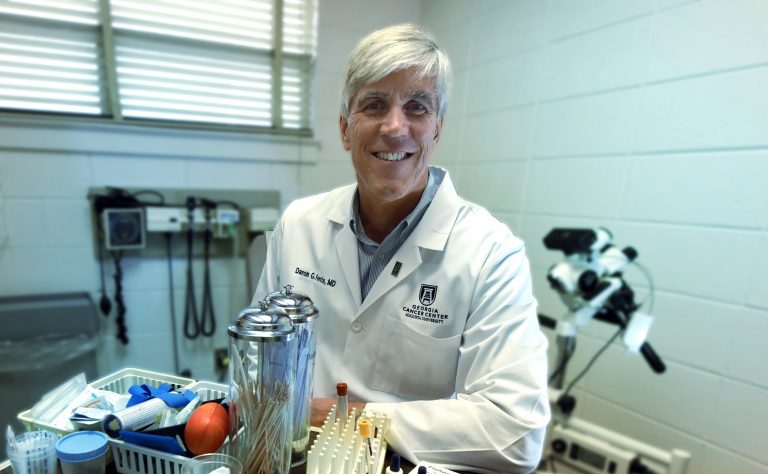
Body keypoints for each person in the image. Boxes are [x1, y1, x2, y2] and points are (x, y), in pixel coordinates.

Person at [253, 23, 550, 473]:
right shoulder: (299, 224)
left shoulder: (491, 254)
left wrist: (350, 419)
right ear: (345, 130)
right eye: (374, 104)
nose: (395, 127)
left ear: (437, 130)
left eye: (417, 107)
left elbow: (516, 433)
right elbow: (260, 359)